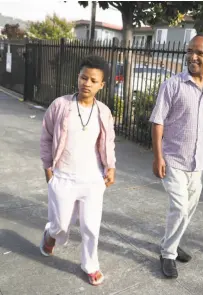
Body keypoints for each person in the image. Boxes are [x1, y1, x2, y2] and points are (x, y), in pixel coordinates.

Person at [149, 34, 203, 279]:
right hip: (173, 159)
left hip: (199, 164)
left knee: (188, 210)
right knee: (180, 208)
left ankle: (170, 242)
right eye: (190, 51)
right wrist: (158, 156)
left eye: (200, 53)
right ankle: (168, 254)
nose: (193, 57)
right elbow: (157, 122)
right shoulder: (172, 85)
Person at [39, 55, 116, 286]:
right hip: (63, 175)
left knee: (91, 226)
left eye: (93, 80)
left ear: (101, 85)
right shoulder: (61, 105)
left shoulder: (103, 111)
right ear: (78, 77)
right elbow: (46, 137)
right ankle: (50, 234)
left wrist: (110, 166)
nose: (87, 83)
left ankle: (90, 265)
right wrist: (48, 169)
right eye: (84, 77)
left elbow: (108, 142)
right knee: (61, 224)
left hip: (92, 179)